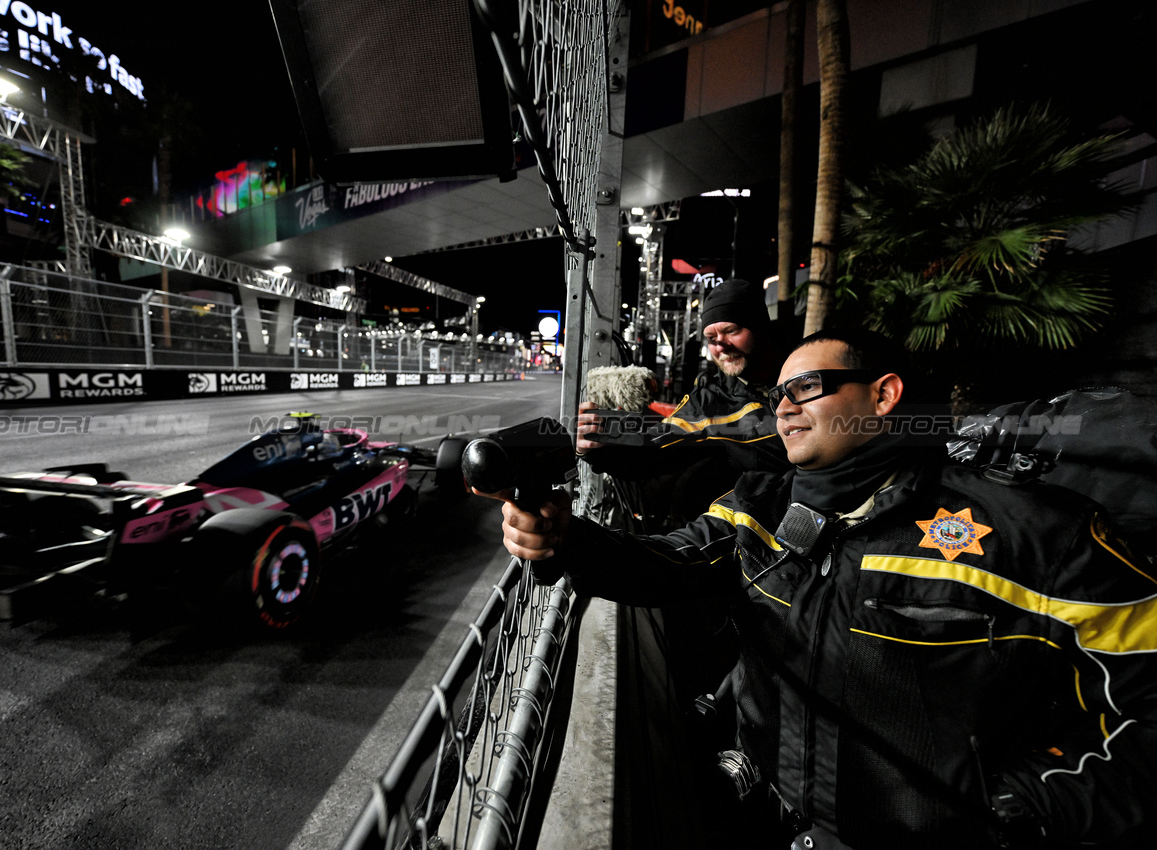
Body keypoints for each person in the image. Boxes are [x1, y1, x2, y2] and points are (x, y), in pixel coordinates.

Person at [483, 328, 1157, 849]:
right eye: (776, 395)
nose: (781, 408)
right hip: (778, 821)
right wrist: (568, 542)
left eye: (803, 388)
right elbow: (667, 566)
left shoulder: (1036, 535)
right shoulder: (762, 502)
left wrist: (1019, 807)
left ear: (883, 394)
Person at [577, 278, 789, 528]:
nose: (720, 345)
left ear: (759, 326)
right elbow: (656, 451)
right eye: (711, 337)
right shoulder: (710, 398)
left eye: (731, 331)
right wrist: (595, 448)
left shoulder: (805, 369)